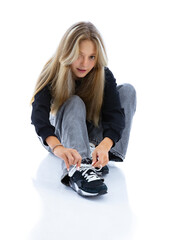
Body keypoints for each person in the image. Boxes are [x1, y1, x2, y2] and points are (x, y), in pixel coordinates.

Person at [31, 21, 136, 197]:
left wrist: (104, 145)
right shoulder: (54, 72)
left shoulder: (102, 74)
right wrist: (58, 147)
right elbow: (38, 115)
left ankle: (98, 155)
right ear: (68, 53)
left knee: (128, 90)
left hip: (91, 134)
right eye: (79, 55)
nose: (85, 64)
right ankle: (77, 168)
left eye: (91, 57)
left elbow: (114, 114)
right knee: (74, 101)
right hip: (61, 136)